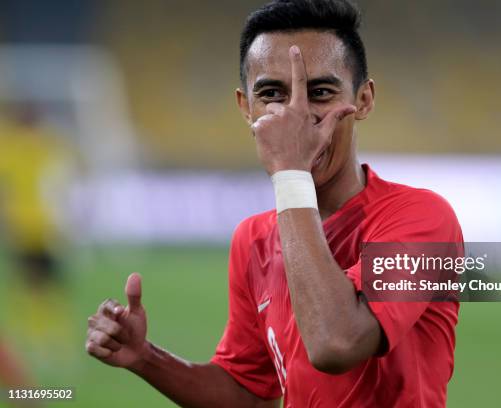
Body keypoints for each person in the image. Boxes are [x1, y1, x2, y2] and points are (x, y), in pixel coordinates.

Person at [86, 0, 463, 406]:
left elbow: (336, 342)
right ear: (246, 109)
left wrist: (290, 172)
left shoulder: (422, 219)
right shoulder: (253, 239)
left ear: (364, 99)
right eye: (272, 94)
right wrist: (146, 358)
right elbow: (247, 391)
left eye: (320, 92)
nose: (297, 116)